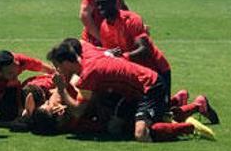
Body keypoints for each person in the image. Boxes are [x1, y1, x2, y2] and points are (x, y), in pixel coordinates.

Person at [46, 42, 216, 142]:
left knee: (141, 134)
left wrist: (61, 88)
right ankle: (190, 105)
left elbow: (78, 110)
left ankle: (188, 127)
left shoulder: (88, 74)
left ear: (67, 63)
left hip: (150, 87)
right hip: (134, 91)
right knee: (115, 128)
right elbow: (80, 42)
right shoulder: (86, 53)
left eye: (58, 66)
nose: (57, 70)